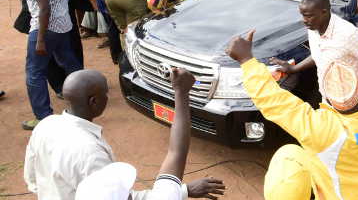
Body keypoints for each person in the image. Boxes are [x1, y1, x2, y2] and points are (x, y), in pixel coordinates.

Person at [225, 0, 358, 200]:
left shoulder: (325, 131)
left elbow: (277, 104)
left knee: (291, 158)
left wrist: (247, 61)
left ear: (329, 100)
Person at [24, 69, 225, 199]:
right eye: (105, 93)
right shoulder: (90, 153)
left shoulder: (46, 125)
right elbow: (175, 154)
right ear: (94, 101)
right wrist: (181, 93)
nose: (108, 97)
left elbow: (33, 180)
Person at [8, 0, 83, 130]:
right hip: (63, 23)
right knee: (69, 62)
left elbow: (43, 7)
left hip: (46, 27)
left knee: (34, 73)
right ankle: (85, 100)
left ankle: (44, 117)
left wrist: (40, 39)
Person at [269, 0, 358, 104]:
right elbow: (320, 55)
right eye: (302, 15)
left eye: (308, 16)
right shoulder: (313, 28)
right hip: (328, 102)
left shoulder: (349, 34)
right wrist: (294, 69)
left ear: (324, 12)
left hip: (354, 105)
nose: (304, 20)